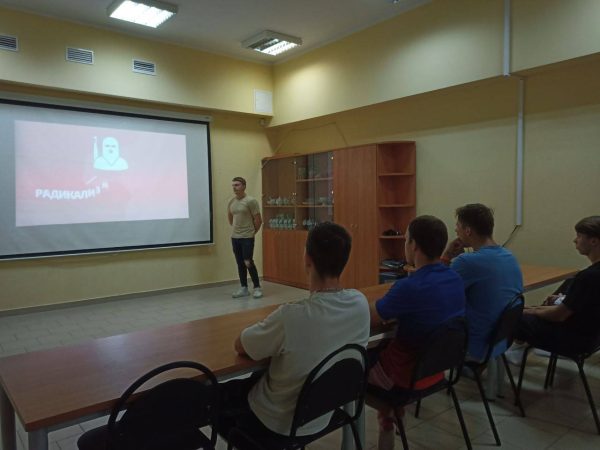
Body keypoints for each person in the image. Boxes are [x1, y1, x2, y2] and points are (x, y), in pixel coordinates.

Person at [218, 222, 370, 440]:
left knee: (213, 398)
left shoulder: (291, 317)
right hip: (323, 412)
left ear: (307, 259)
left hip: (277, 425)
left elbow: (241, 345)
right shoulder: (360, 303)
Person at [369, 215, 466, 450]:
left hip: (404, 378)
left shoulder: (408, 287)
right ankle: (393, 415)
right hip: (436, 371)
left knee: (353, 364)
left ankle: (386, 416)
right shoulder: (454, 278)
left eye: (406, 239)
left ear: (413, 245)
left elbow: (371, 317)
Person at [441, 203, 523, 397]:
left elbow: (437, 289)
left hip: (476, 340)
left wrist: (447, 255)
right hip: (501, 336)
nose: (455, 230)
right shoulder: (509, 256)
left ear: (468, 230)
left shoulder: (467, 262)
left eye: (458, 226)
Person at [514, 216, 600, 354]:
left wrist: (531, 310)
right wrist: (536, 308)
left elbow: (558, 315)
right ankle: (518, 349)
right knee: (569, 282)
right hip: (594, 338)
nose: (575, 240)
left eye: (579, 236)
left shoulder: (588, 277)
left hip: (574, 340)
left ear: (594, 241)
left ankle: (512, 353)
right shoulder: (590, 275)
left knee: (510, 317)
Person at [228, 176, 263, 298]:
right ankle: (244, 288)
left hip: (247, 237)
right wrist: (236, 228)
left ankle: (257, 287)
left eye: (237, 185)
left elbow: (258, 220)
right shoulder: (232, 201)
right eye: (233, 185)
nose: (234, 187)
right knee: (240, 263)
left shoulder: (251, 201)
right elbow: (230, 218)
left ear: (244, 186)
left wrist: (252, 233)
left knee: (248, 261)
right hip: (235, 237)